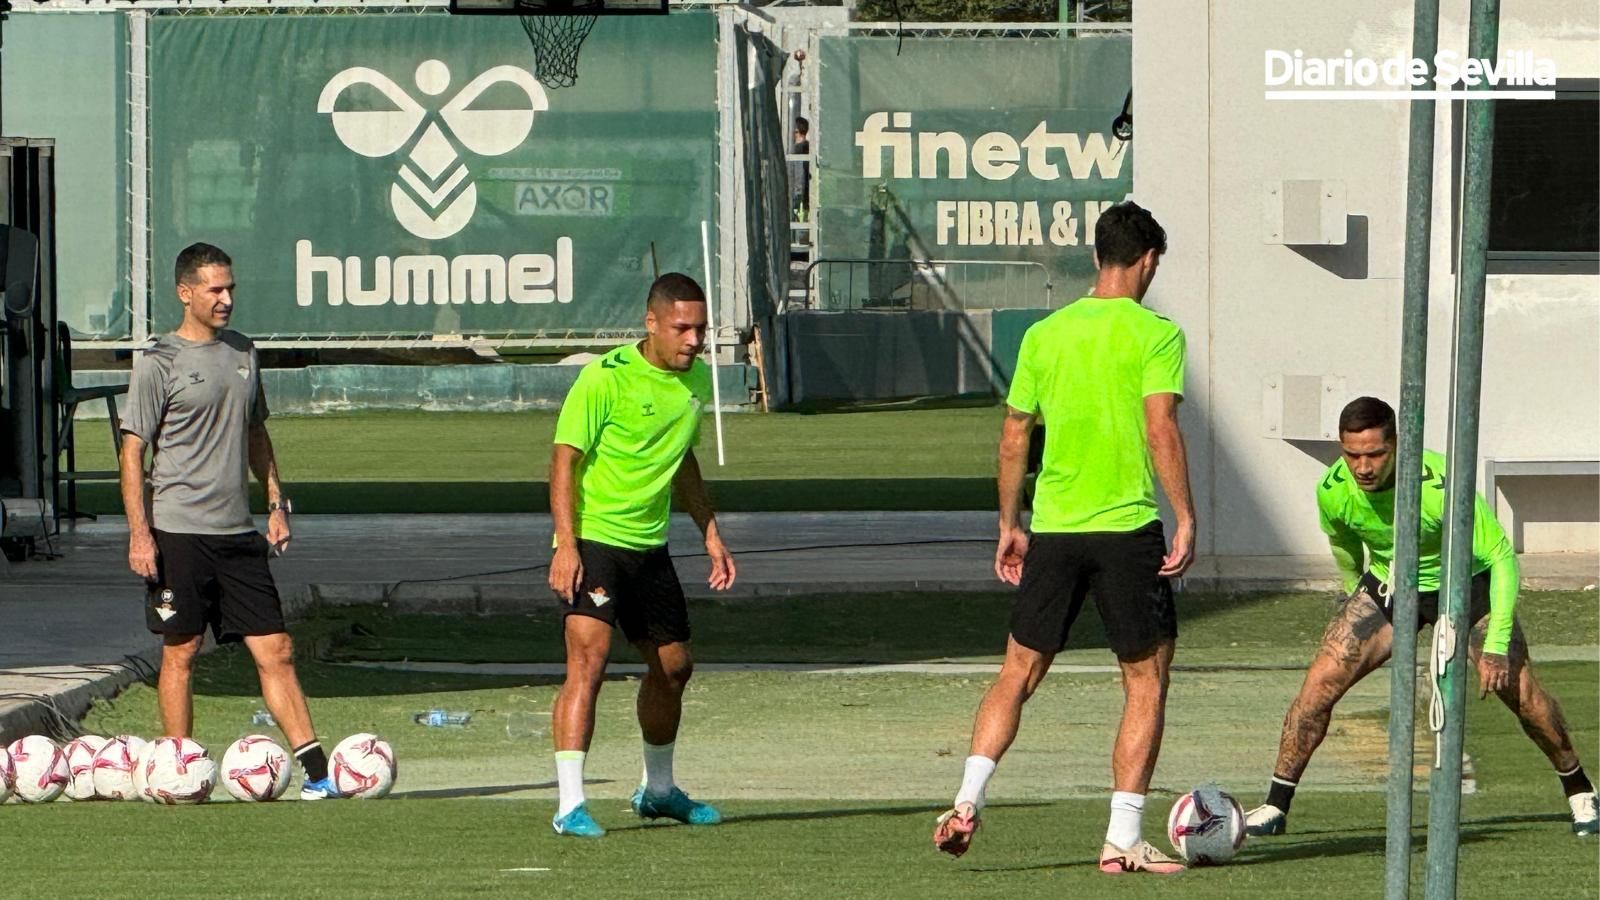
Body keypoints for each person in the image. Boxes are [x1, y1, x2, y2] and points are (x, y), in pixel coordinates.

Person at [933, 201, 1197, 875]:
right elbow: (1160, 426)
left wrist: (1008, 524)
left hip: (1052, 529)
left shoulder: (1044, 335)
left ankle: (965, 801)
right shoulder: (1156, 334)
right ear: (1148, 262)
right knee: (1145, 681)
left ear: (1095, 258)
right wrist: (1186, 514)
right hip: (1125, 528)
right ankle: (1122, 837)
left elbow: (1013, 435)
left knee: (1017, 672)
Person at [1245, 396, 1597, 837]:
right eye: (1353, 454)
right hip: (1391, 585)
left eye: (1375, 454)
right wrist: (1355, 595)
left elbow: (1502, 556)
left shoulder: (1438, 486)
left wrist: (1495, 645)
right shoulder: (1333, 491)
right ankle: (1276, 806)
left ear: (1397, 447)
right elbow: (1344, 545)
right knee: (1315, 690)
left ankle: (1580, 789)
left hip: (1465, 585)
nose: (1363, 466)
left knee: (1522, 695)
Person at [119, 242, 341, 800]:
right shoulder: (157, 361)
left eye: (231, 289)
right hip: (177, 532)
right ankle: (178, 771)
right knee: (183, 649)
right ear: (185, 292)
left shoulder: (244, 353)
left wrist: (275, 504)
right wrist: (140, 534)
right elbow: (131, 453)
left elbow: (256, 434)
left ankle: (318, 774)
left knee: (277, 649)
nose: (226, 299)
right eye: (215, 290)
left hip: (237, 533)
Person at [546, 272, 736, 838]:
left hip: (650, 548)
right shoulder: (602, 380)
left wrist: (709, 533)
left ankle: (657, 791)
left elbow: (682, 459)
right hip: (597, 543)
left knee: (674, 667)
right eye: (682, 328)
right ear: (651, 323)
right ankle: (570, 804)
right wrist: (566, 544)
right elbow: (563, 462)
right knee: (589, 662)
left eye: (700, 329)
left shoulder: (694, 379)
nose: (694, 340)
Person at [791, 115, 811, 223]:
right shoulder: (808, 148)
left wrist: (796, 198)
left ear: (796, 132)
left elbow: (799, 177)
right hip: (805, 199)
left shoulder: (799, 150)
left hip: (799, 198)